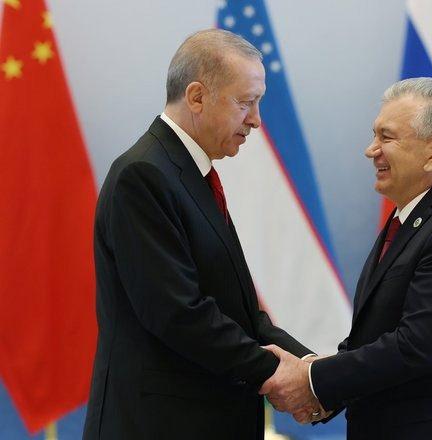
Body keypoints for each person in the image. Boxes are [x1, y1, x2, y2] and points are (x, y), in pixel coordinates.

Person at [83, 29, 315, 440]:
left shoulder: (187, 173)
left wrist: (313, 371)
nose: (257, 120)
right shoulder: (144, 175)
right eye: (245, 102)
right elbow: (178, 312)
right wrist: (278, 374)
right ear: (196, 97)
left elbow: (237, 311)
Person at [260, 77, 432, 440]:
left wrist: (312, 380)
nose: (370, 150)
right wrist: (323, 390)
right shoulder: (407, 220)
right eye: (374, 135)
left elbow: (416, 346)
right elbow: (372, 338)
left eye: (386, 137)